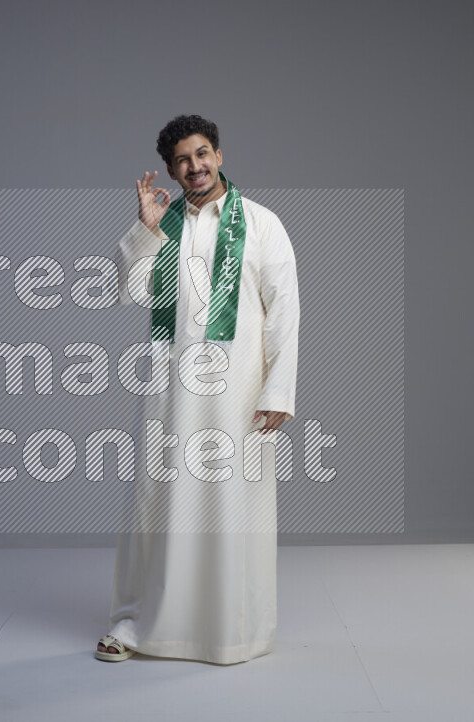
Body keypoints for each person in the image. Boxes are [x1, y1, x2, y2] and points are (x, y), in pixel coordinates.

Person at [96, 114, 300, 664]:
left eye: (203, 153)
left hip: (238, 394)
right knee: (158, 505)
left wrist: (278, 391)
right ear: (170, 169)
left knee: (233, 505)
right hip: (170, 387)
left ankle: (230, 629)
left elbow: (285, 311)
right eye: (183, 159)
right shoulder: (162, 227)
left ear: (219, 156)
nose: (196, 165)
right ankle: (139, 624)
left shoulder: (260, 224)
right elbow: (124, 291)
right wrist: (143, 228)